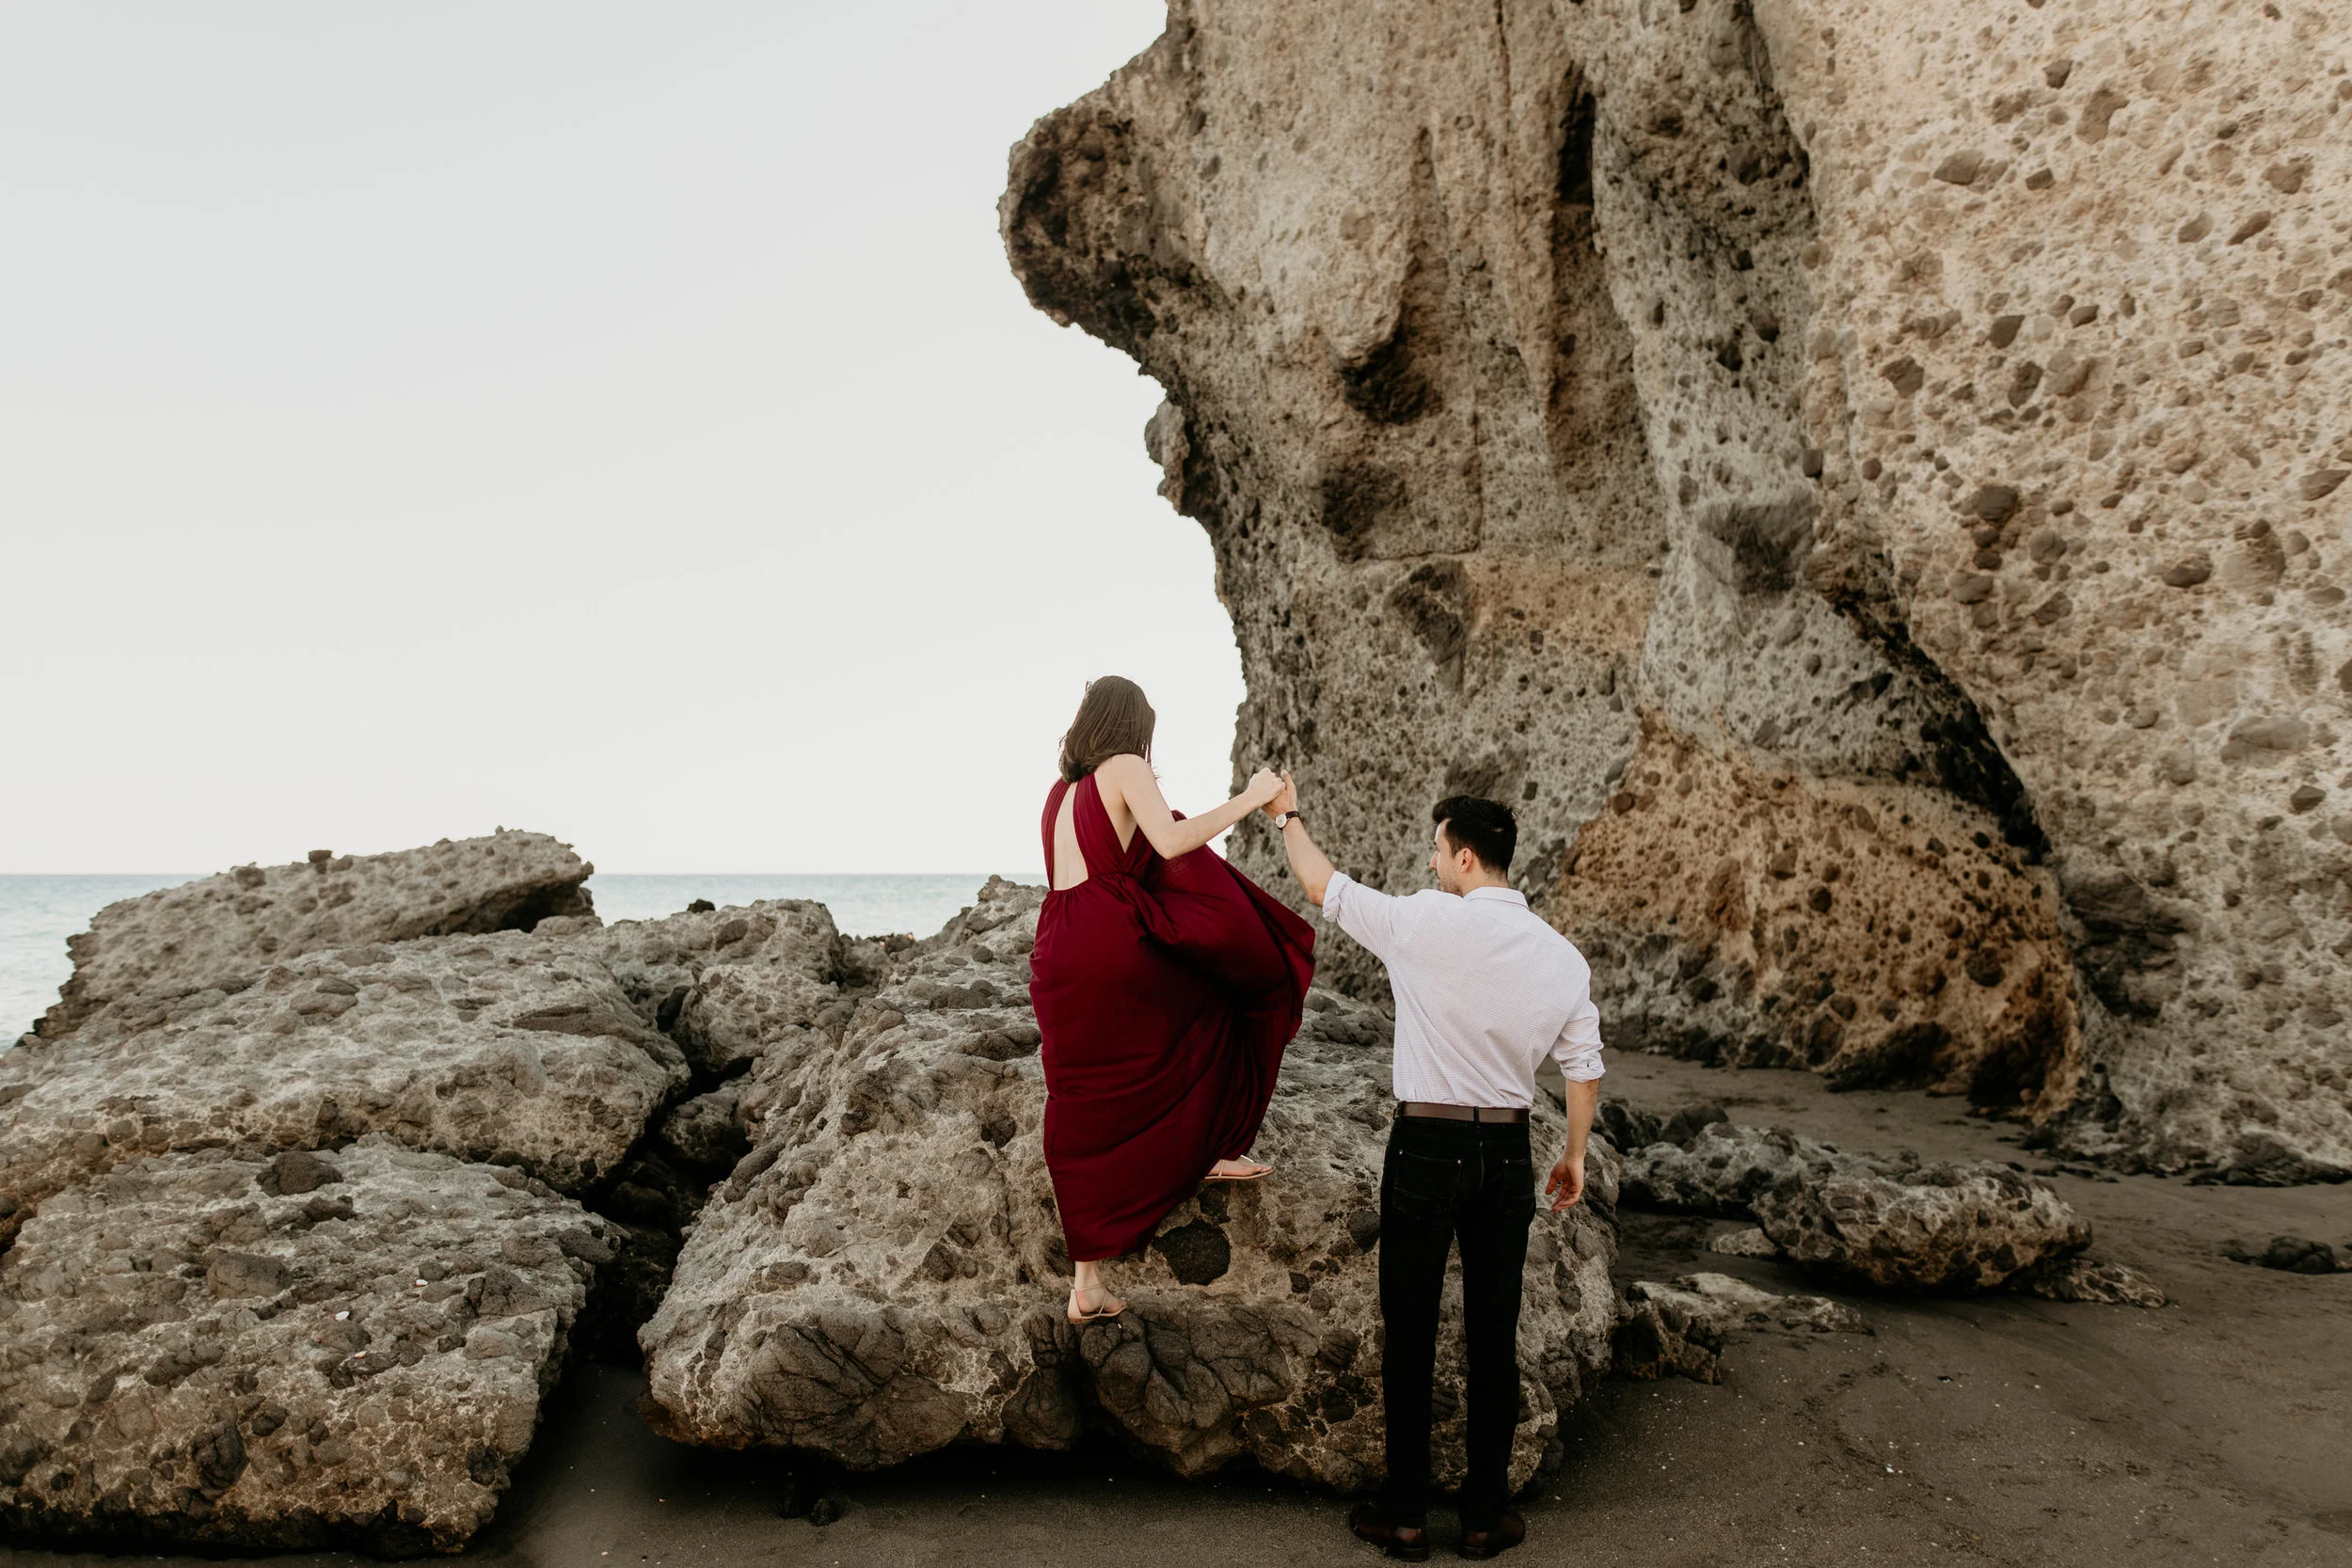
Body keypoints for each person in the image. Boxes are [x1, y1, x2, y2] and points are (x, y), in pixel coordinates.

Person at [1262, 774, 1601, 1562]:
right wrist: (1575, 1153)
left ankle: (1406, 1515)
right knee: (1493, 1333)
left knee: (1410, 1331)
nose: (1430, 860)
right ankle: (1484, 1517)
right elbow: (1583, 1068)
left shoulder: (1421, 921)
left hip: (1426, 1146)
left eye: (1438, 848)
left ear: (1467, 858)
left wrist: (1289, 815)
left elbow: (1321, 884)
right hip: (1509, 1154)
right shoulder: (1561, 957)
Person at [1028, 676, 1316, 1326]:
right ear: (1129, 725)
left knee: (1084, 1099)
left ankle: (1088, 1283)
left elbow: (1071, 876)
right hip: (1109, 933)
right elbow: (1170, 842)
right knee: (1214, 998)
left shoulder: (1058, 795)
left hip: (1057, 942)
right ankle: (1211, 1144)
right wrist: (1248, 797)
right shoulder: (1124, 765)